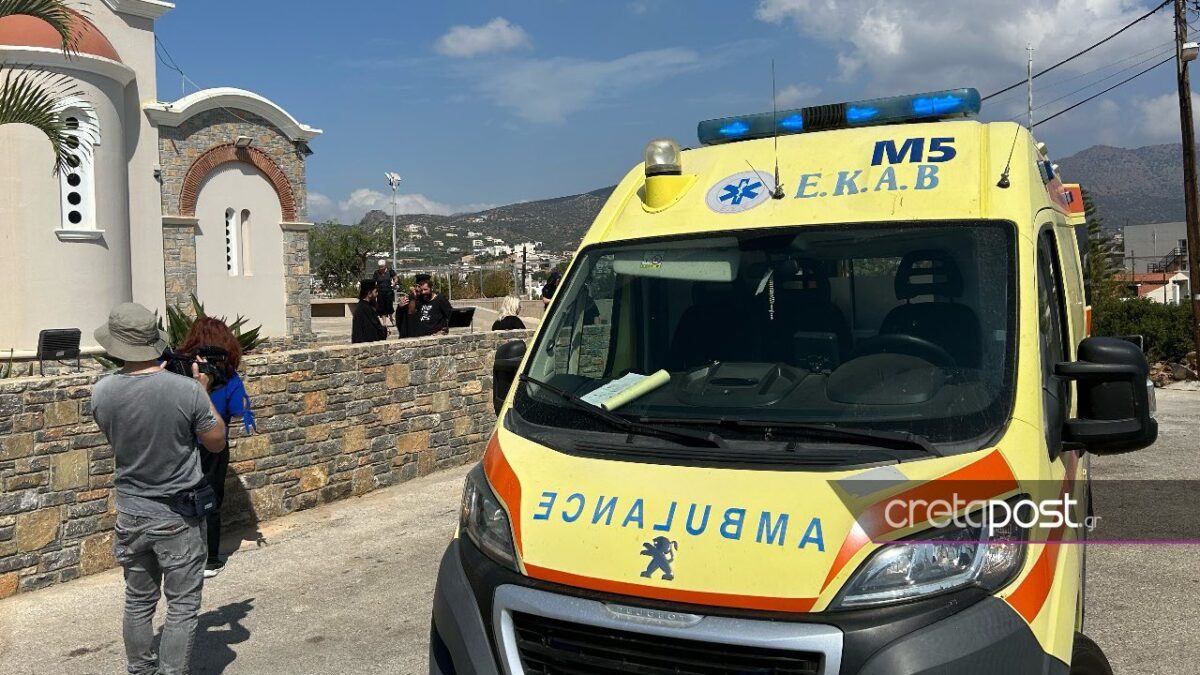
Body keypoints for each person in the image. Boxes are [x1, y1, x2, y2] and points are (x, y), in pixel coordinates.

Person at [91, 303, 227, 675]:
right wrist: (201, 390)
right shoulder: (186, 391)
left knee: (138, 601)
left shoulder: (101, 391)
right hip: (177, 514)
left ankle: (140, 670)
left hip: (131, 511)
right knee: (182, 605)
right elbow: (215, 441)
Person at [177, 317, 255, 579]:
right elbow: (239, 409)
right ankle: (210, 559)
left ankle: (182, 557)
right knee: (209, 500)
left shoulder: (180, 372)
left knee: (180, 500)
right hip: (214, 446)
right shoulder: (228, 377)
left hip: (181, 446)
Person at [402, 273, 453, 337]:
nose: (423, 292)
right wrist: (413, 297)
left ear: (431, 288)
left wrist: (444, 330)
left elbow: (450, 316)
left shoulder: (440, 299)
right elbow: (411, 313)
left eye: (425, 289)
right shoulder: (418, 299)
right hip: (421, 336)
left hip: (435, 336)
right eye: (421, 290)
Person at [352, 278, 388, 343]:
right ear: (369, 293)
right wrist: (384, 330)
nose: (377, 294)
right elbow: (373, 331)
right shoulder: (365, 309)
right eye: (376, 292)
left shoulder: (363, 306)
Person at [373, 260, 396, 326]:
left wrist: (394, 283)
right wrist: (374, 291)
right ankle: (384, 323)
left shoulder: (390, 271)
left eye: (382, 267)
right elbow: (373, 282)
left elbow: (395, 278)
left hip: (389, 292)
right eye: (380, 267)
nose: (381, 268)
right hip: (380, 292)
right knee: (382, 307)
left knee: (389, 306)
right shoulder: (376, 273)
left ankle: (391, 318)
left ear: (385, 266)